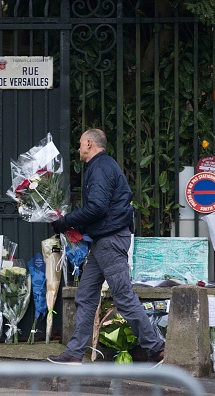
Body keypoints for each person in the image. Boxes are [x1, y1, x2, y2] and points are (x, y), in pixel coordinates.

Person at [48, 128, 165, 365]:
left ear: (89, 143)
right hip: (103, 241)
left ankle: (156, 348)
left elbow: (97, 208)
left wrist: (66, 222)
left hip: (110, 240)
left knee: (122, 296)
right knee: (86, 295)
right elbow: (101, 209)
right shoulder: (101, 166)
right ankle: (74, 353)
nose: (78, 148)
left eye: (80, 143)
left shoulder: (100, 167)